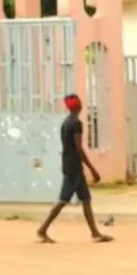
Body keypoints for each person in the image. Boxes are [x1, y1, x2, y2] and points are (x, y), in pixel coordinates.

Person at [36, 94, 113, 244]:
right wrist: (92, 169)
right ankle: (42, 229)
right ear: (78, 105)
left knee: (85, 199)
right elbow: (78, 148)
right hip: (74, 167)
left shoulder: (65, 123)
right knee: (64, 200)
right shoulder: (76, 123)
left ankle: (95, 233)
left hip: (69, 164)